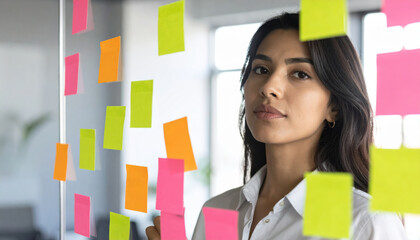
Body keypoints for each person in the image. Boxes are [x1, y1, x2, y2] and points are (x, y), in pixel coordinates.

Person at [146, 12, 408, 240]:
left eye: (300, 74)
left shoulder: (365, 222)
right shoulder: (218, 212)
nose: (269, 87)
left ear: (334, 107)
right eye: (261, 69)